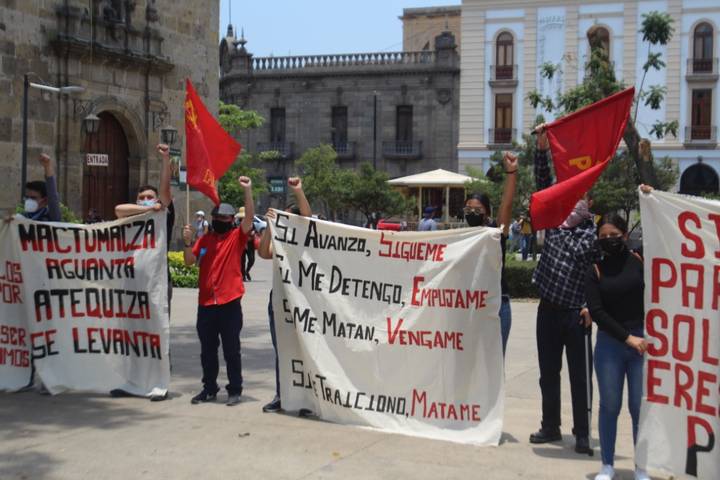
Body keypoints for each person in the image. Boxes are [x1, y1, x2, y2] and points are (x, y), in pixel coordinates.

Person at [529, 124, 599, 454]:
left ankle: (582, 432)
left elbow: (598, 277)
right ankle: (550, 426)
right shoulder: (555, 219)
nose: (576, 202)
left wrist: (591, 307)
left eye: (582, 197)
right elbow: (543, 184)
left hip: (576, 315)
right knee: (548, 373)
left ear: (590, 201)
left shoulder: (594, 235)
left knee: (580, 377)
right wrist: (542, 149)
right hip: (547, 310)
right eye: (573, 196)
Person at [586, 210, 650, 480]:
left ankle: (641, 467)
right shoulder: (595, 269)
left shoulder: (640, 260)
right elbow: (597, 312)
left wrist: (649, 191)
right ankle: (607, 465)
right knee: (610, 406)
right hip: (611, 345)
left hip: (642, 341)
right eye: (603, 236)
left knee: (639, 408)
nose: (609, 239)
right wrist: (627, 338)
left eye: (614, 235)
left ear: (625, 235)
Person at [182, 176, 255, 407]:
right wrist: (186, 242)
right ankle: (209, 388)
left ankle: (235, 389)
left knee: (232, 350)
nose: (220, 220)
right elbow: (188, 262)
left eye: (224, 217)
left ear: (231, 220)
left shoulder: (237, 237)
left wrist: (248, 191)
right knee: (207, 352)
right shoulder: (205, 240)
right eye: (217, 217)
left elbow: (250, 218)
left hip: (229, 303)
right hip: (206, 304)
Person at [113, 143, 174, 401]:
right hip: (131, 285)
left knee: (155, 329)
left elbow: (165, 192)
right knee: (131, 333)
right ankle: (131, 382)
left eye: (150, 197)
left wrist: (165, 160)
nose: (147, 200)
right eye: (142, 198)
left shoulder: (162, 214)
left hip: (156, 284)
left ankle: (158, 382)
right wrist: (147, 209)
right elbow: (119, 209)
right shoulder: (135, 215)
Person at [257, 177, 312, 413]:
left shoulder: (308, 241)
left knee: (306, 351)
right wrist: (271, 227)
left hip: (305, 304)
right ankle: (283, 395)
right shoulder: (280, 241)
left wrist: (298, 191)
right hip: (279, 303)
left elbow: (307, 217)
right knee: (283, 350)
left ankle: (308, 400)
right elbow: (262, 252)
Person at [464, 151, 518, 356]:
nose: (472, 213)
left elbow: (507, 205)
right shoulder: (460, 237)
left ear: (487, 213)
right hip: (469, 307)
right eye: (468, 209)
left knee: (493, 365)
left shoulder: (496, 233)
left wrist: (511, 173)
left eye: (477, 209)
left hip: (496, 306)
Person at [21, 153, 61, 222]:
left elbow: (52, 195)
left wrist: (47, 166)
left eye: (33, 198)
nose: (28, 200)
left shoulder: (52, 216)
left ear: (45, 201)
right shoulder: (22, 217)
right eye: (27, 197)